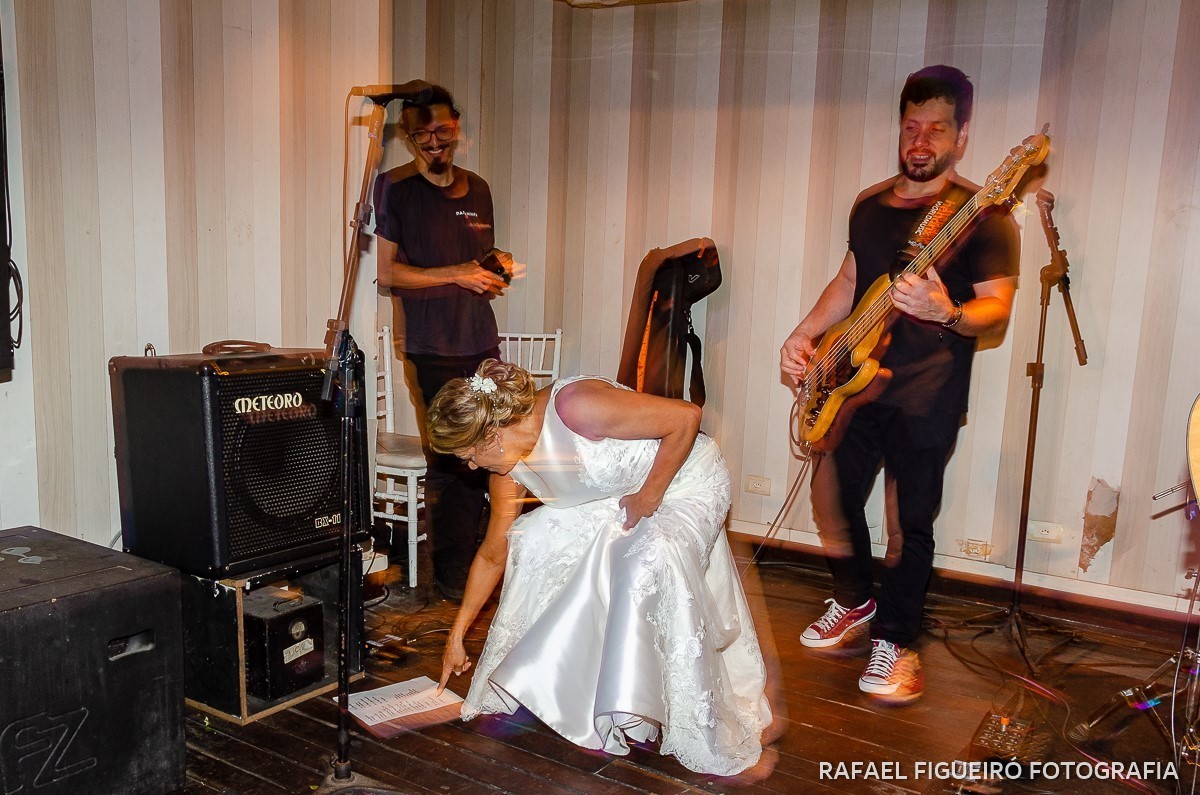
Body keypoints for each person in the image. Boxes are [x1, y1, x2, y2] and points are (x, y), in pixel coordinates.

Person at [779, 65, 1019, 703]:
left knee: (908, 522)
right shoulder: (870, 204)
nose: (921, 140)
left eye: (937, 129)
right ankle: (856, 601)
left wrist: (948, 311)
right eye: (912, 127)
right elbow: (850, 280)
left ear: (961, 137)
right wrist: (803, 333)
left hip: (927, 392)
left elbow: (997, 308)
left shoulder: (986, 216)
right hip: (853, 383)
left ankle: (896, 639)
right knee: (832, 501)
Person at [428, 359, 771, 776]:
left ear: (493, 435)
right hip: (616, 495)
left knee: (644, 559)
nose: (470, 466)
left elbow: (686, 418)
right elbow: (492, 554)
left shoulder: (575, 407)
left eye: (469, 455)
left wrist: (648, 497)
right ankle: (570, 680)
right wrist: (457, 634)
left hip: (684, 481)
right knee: (533, 539)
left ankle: (646, 702)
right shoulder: (507, 474)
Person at [374, 83, 515, 600]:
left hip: (480, 342)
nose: (434, 142)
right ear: (408, 137)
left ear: (456, 124)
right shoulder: (394, 188)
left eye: (442, 131)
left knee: (493, 447)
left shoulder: (478, 188)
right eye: (421, 136)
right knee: (452, 459)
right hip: (430, 346)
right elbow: (387, 272)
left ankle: (483, 561)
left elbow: (479, 260)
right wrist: (456, 273)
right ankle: (452, 575)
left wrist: (495, 269)